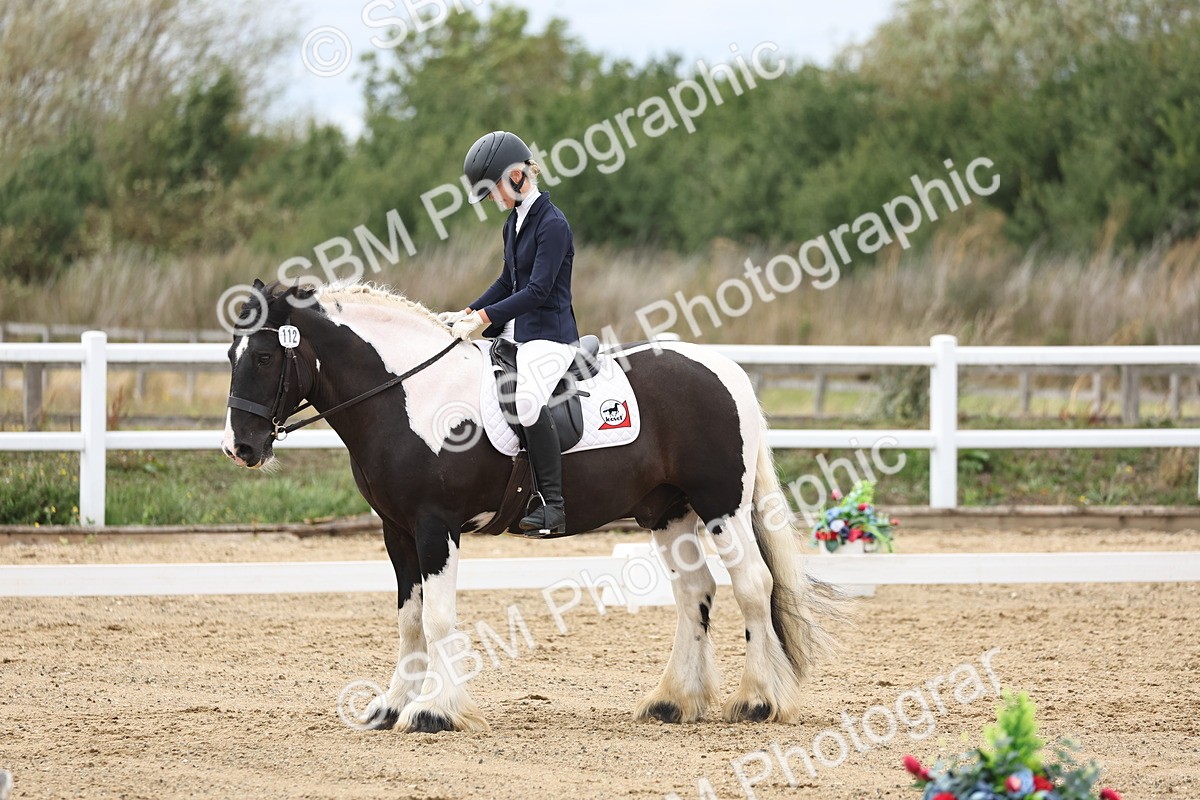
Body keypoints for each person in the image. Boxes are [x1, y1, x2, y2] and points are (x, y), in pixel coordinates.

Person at [440, 131, 578, 537]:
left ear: (517, 177)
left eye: (492, 190)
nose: (490, 200)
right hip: (518, 334)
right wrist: (467, 311)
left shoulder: (552, 224)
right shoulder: (514, 223)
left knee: (528, 400)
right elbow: (506, 282)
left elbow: (537, 291)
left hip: (550, 337)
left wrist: (483, 317)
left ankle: (553, 506)